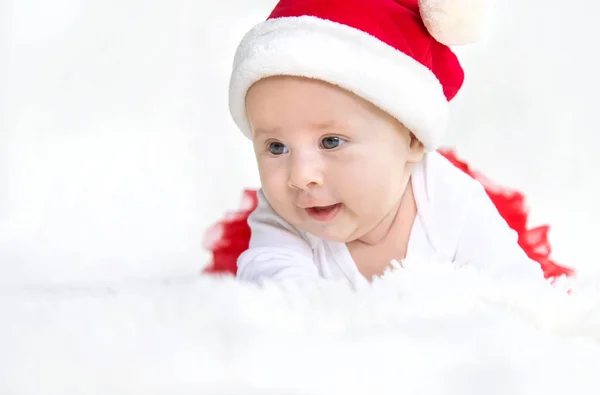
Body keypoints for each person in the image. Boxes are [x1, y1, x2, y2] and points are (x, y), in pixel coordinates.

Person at [202, 0, 574, 288]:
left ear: (412, 138)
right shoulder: (283, 218)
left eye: (331, 141)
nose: (301, 177)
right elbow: (276, 287)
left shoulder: (449, 201)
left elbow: (513, 287)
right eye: (276, 147)